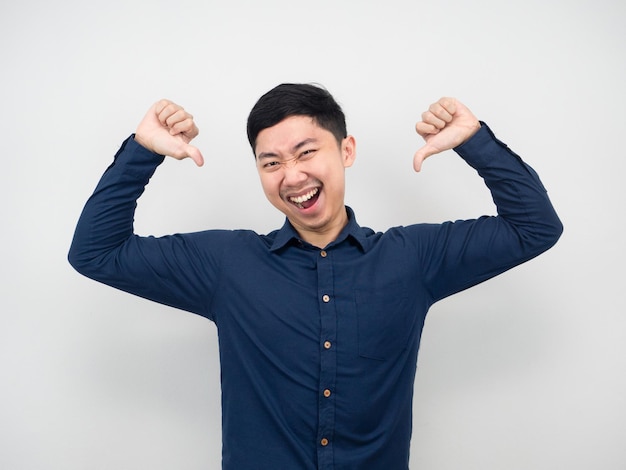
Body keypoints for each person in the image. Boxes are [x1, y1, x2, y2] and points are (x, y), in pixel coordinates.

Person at [68, 83, 562, 469]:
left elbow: (534, 228)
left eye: (306, 152)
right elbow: (96, 252)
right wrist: (142, 151)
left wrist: (475, 143)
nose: (292, 175)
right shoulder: (226, 265)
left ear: (346, 150)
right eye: (272, 162)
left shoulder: (413, 259)